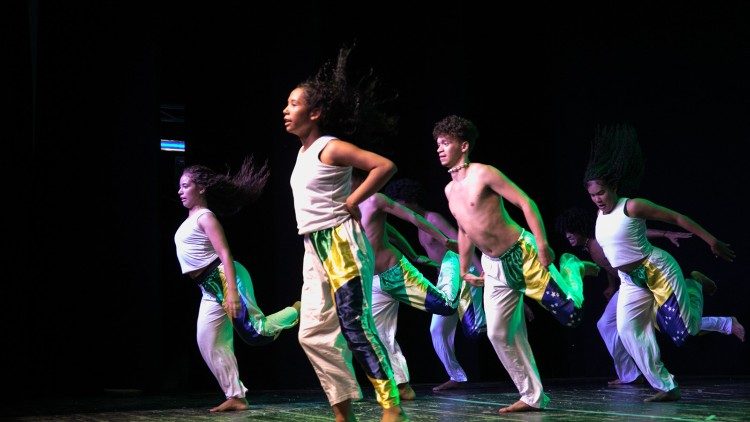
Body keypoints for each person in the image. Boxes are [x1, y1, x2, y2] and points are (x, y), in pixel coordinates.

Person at [434, 115, 598, 413]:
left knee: (572, 315)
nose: (439, 149)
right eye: (438, 144)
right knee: (498, 332)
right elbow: (463, 229)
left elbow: (526, 203)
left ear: (464, 146)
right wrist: (463, 269)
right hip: (493, 266)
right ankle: (532, 396)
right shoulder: (449, 191)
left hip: (523, 255)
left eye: (445, 143)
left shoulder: (484, 174)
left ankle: (573, 266)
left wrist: (544, 243)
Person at [283, 46, 408, 422]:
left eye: (293, 104)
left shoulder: (329, 146)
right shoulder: (303, 153)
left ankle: (391, 406)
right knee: (312, 332)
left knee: (354, 324)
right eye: (286, 104)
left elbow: (384, 166)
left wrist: (354, 198)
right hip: (314, 246)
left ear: (315, 113)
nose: (286, 110)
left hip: (340, 241)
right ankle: (343, 410)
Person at [583, 123, 736, 402]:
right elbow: (622, 241)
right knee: (628, 329)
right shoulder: (600, 216)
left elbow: (676, 217)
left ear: (613, 187)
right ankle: (666, 386)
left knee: (685, 330)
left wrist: (711, 240)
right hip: (631, 281)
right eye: (593, 195)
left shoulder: (632, 206)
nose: (597, 199)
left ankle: (694, 284)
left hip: (657, 270)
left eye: (601, 193)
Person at [555, 207, 745, 386]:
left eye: (571, 231)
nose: (568, 236)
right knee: (606, 324)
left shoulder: (598, 239)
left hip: (645, 283)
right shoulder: (592, 246)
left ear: (581, 228)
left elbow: (634, 235)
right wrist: (611, 286)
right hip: (628, 284)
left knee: (676, 326)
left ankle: (698, 288)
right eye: (565, 232)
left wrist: (664, 234)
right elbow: (609, 265)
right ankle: (629, 375)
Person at [174, 157, 300, 412]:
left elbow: (225, 254)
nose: (180, 191)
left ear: (201, 188)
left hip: (224, 277)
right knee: (208, 340)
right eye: (180, 186)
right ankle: (235, 395)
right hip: (209, 287)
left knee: (256, 332)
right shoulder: (191, 219)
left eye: (186, 185)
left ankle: (297, 309)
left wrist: (231, 290)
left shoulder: (205, 217)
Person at [352, 170, 461, 401]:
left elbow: (413, 218)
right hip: (373, 281)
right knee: (379, 333)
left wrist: (444, 241)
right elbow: (390, 232)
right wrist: (413, 253)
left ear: (357, 179)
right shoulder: (345, 208)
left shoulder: (376, 200)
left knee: (446, 306)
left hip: (396, 272)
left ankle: (453, 262)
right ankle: (402, 385)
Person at [385, 178, 489, 392]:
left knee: (476, 328)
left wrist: (480, 271)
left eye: (398, 203)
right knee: (437, 330)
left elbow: (463, 243)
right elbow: (440, 258)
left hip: (464, 272)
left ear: (407, 201)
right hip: (447, 280)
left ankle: (505, 314)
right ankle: (456, 376)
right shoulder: (418, 227)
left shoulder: (433, 218)